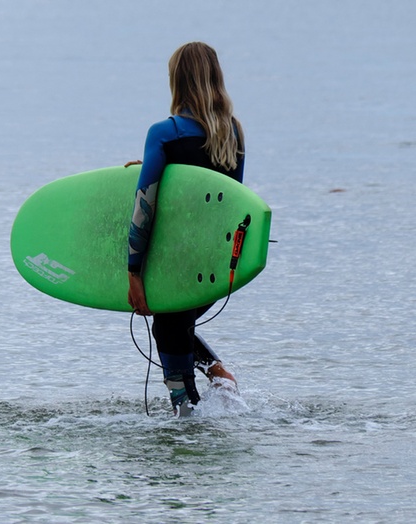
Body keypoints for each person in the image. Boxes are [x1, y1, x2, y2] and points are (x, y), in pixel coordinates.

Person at [126, 42, 244, 417]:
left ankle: (186, 420)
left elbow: (144, 207)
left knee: (169, 325)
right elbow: (227, 199)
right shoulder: (234, 133)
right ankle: (217, 375)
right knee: (175, 322)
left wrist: (133, 270)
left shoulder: (165, 133)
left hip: (176, 260)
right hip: (217, 264)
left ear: (176, 81)